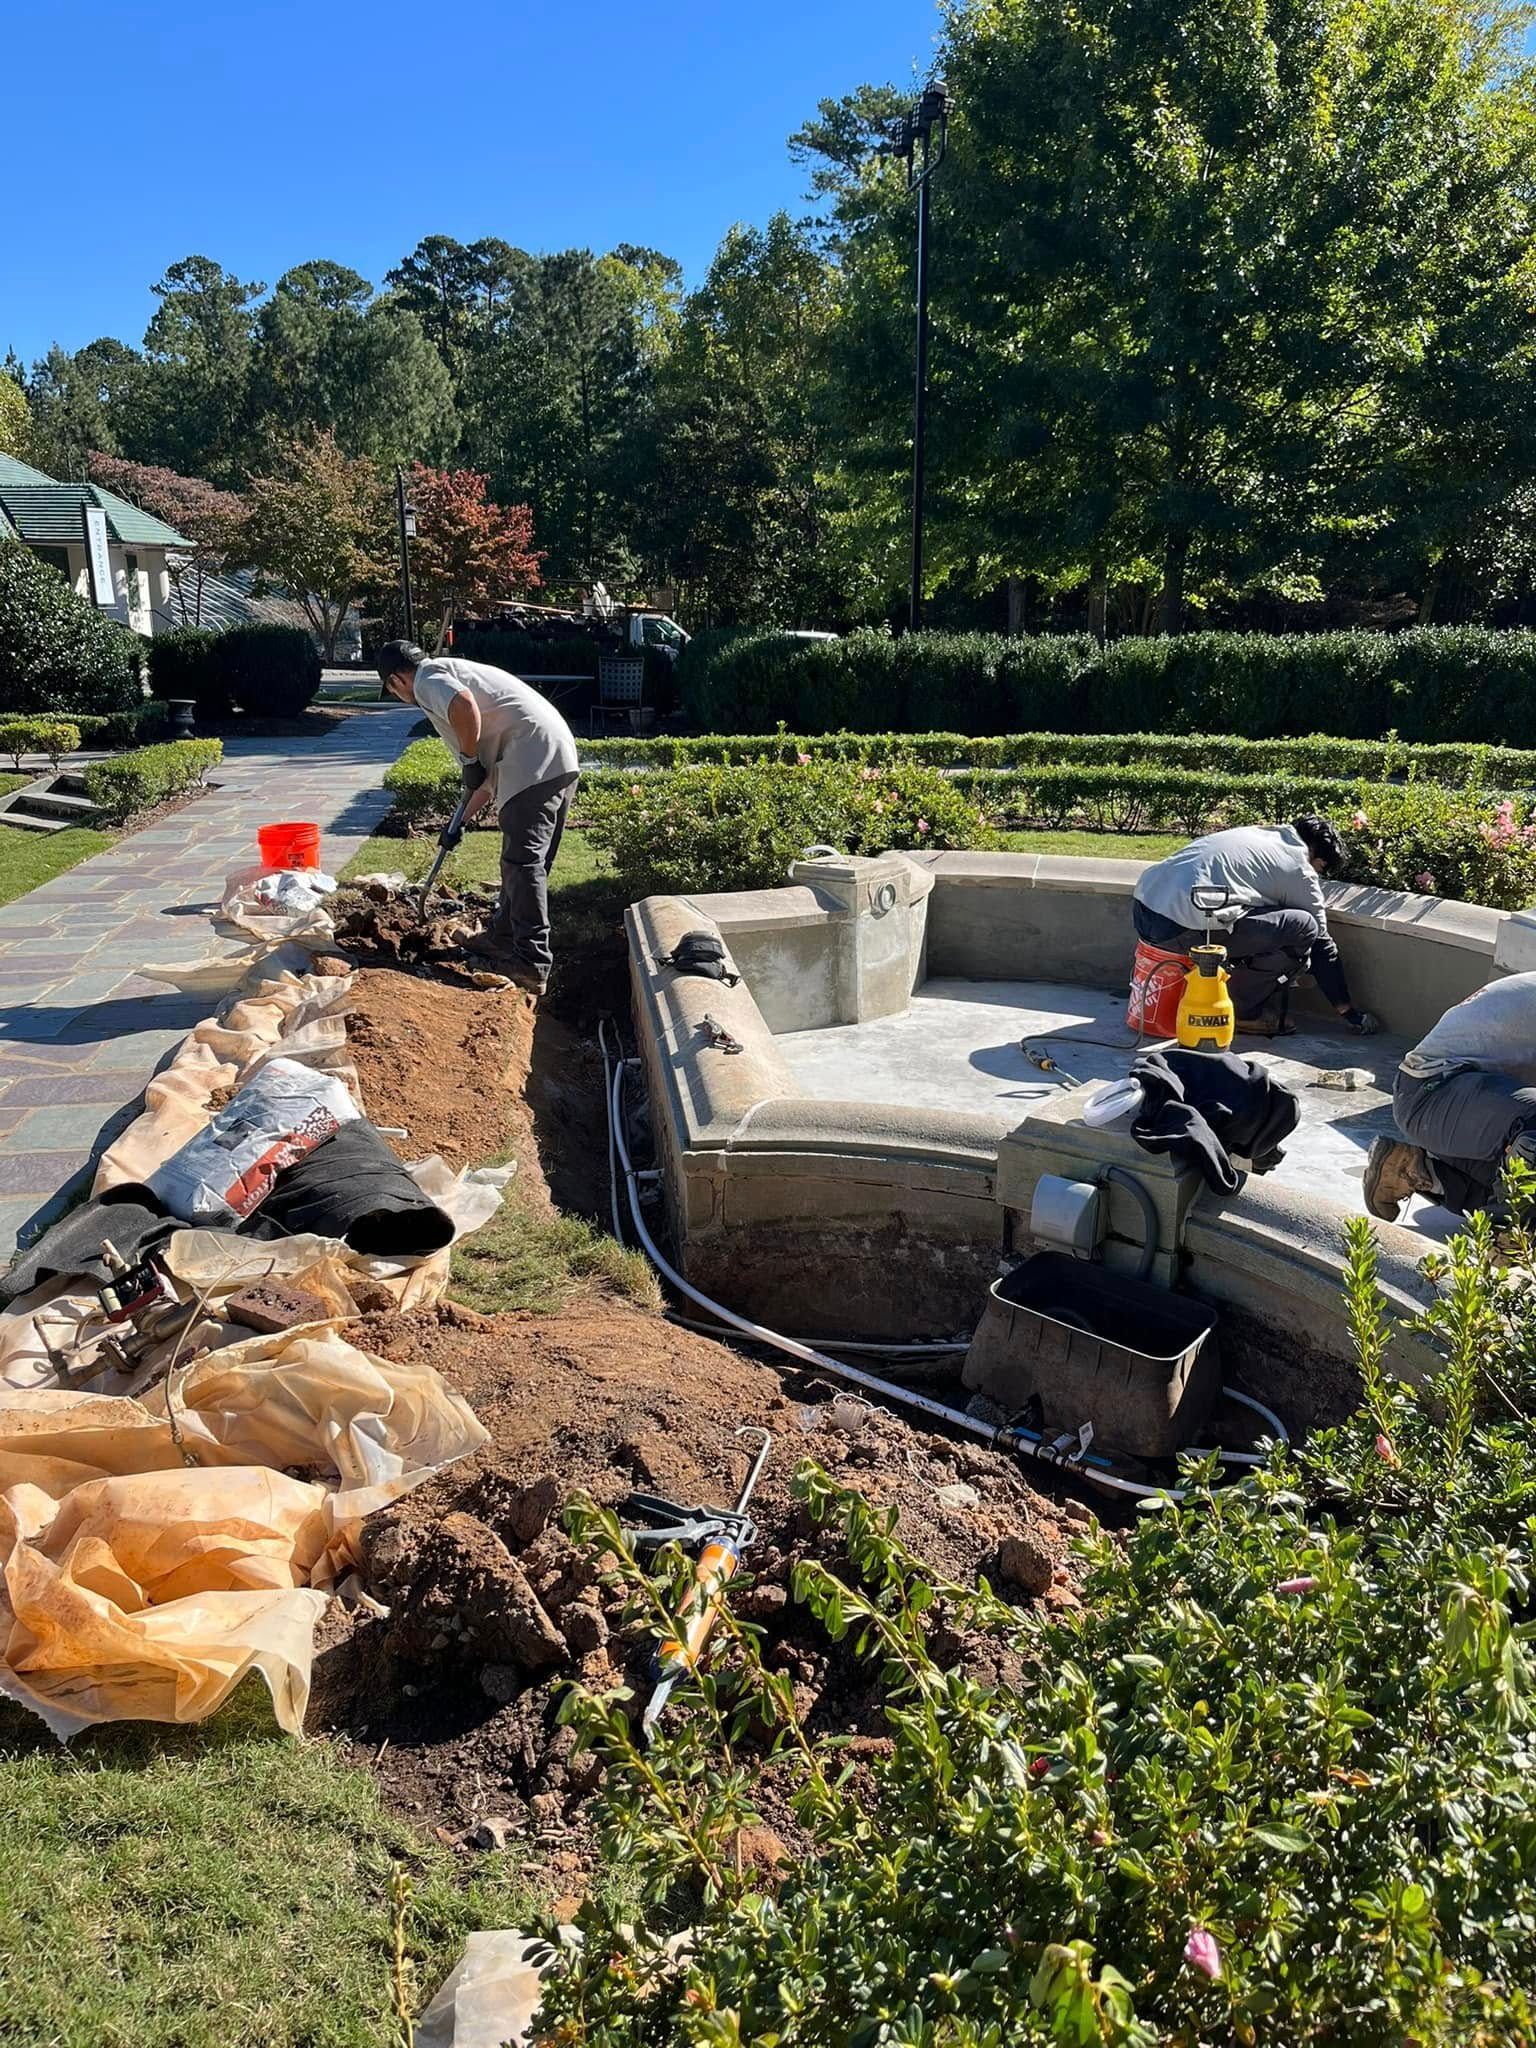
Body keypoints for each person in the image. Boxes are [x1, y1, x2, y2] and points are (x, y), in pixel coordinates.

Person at [376, 640, 579, 994]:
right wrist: (457, 824)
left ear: (397, 680)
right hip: (553, 756)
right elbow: (482, 784)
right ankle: (502, 937)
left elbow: (463, 705)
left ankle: (531, 961)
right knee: (526, 863)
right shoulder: (451, 672)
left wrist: (469, 759)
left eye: (391, 690)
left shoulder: (428, 678)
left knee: (523, 861)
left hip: (531, 758)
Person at [1132, 817, 1380, 1037]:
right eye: (1321, 869)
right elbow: (1321, 944)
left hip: (1144, 912)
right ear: (1318, 856)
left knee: (1259, 918)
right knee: (1303, 926)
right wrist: (1348, 1011)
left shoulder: (1258, 834)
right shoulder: (1299, 867)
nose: (1318, 875)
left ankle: (1217, 992)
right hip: (1182, 929)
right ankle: (1242, 1011)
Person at [1364, 972, 1536, 1223]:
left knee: (1516, 1174)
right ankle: (1507, 1234)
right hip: (1433, 1090)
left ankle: (1417, 1169)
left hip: (1454, 1101)